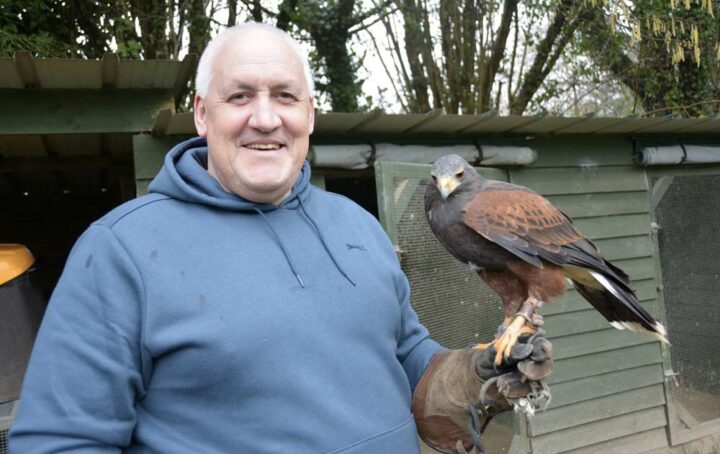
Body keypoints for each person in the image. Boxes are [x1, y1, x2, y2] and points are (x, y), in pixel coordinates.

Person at [9, 23, 551, 454]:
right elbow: (61, 441)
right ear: (202, 113)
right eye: (240, 95)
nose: (265, 118)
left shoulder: (357, 225)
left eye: (285, 97)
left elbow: (404, 350)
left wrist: (471, 371)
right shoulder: (117, 252)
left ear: (309, 116)